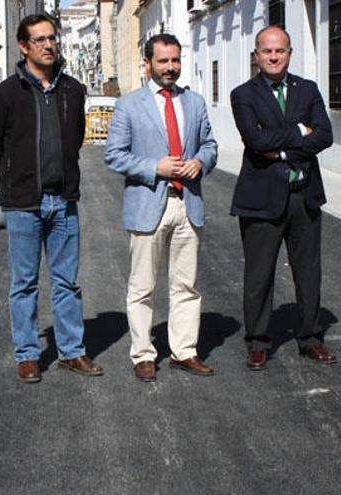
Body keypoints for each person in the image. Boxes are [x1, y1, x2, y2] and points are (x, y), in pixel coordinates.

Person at [0, 14, 103, 383]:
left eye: (52, 38)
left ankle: (71, 351)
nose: (49, 45)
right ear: (23, 46)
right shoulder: (4, 95)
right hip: (24, 205)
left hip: (63, 200)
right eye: (40, 40)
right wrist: (16, 174)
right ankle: (28, 353)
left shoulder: (72, 90)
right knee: (25, 283)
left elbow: (75, 138)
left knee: (67, 281)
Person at [104, 33, 218, 382]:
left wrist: (200, 162)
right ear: (148, 63)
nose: (170, 67)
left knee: (187, 285)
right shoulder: (129, 105)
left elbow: (210, 145)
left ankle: (184, 350)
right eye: (163, 61)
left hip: (188, 204)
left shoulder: (195, 102)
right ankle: (143, 354)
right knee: (142, 286)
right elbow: (114, 155)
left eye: (175, 60)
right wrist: (156, 167)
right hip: (148, 203)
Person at [229, 26, 335, 371]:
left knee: (309, 273)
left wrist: (282, 150)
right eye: (266, 51)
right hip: (261, 198)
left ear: (289, 53)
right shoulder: (242, 94)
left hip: (304, 195)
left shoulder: (307, 89)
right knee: (259, 275)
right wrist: (299, 133)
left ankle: (311, 338)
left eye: (280, 51)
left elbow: (325, 135)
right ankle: (258, 342)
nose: (273, 57)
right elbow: (255, 142)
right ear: (256, 55)